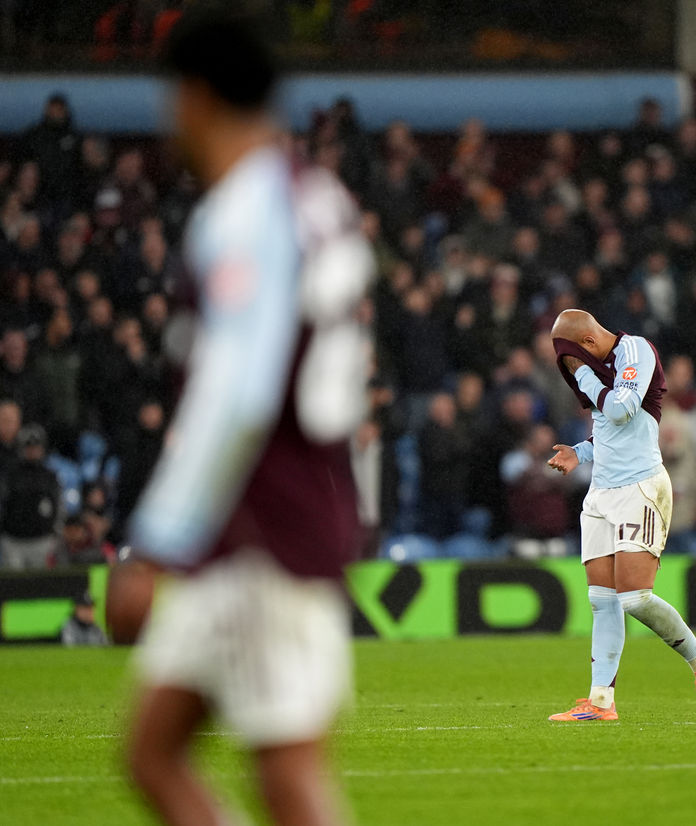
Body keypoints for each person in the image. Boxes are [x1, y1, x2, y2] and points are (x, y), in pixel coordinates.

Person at [104, 9, 370, 826]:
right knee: (151, 754)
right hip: (262, 521)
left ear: (194, 97)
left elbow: (238, 392)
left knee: (289, 778)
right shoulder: (314, 196)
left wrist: (154, 545)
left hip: (264, 525)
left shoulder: (244, 213)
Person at [545, 309, 696, 721]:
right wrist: (580, 452)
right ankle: (601, 702)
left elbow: (624, 410)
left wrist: (582, 375)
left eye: (571, 359)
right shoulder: (598, 369)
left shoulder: (636, 351)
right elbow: (609, 430)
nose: (572, 371)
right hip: (601, 493)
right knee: (602, 600)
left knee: (634, 597)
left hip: (640, 488)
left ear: (588, 345)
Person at [0, 424, 60, 571]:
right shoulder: (9, 475)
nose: (32, 451)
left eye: (36, 447)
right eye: (28, 447)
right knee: (13, 587)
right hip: (13, 540)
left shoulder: (50, 476)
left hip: (42, 540)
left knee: (41, 587)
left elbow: (59, 506)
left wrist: (55, 534)